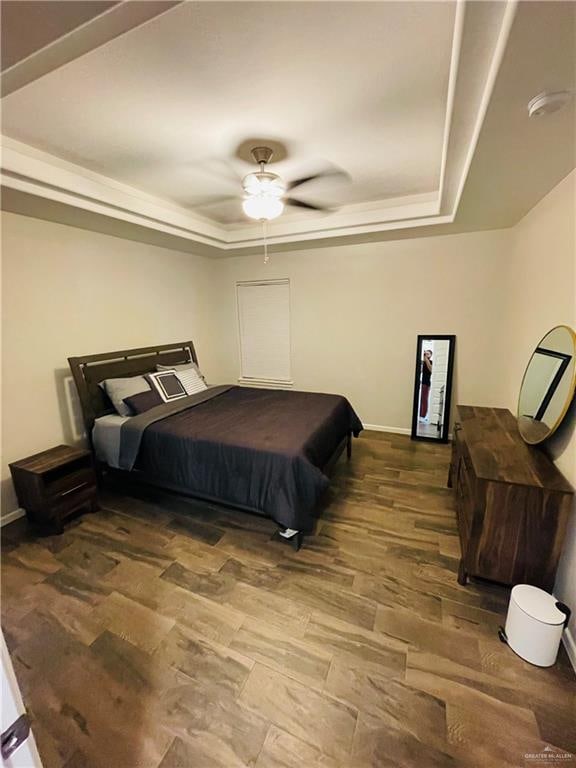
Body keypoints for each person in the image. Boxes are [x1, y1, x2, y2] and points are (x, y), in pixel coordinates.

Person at [419, 349, 433, 422]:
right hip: (422, 383)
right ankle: (420, 415)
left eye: (428, 354)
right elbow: (420, 371)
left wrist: (425, 359)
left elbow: (431, 369)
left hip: (427, 383)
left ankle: (423, 416)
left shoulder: (431, 362)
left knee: (425, 400)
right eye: (425, 354)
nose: (426, 355)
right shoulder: (423, 363)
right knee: (421, 399)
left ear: (431, 355)